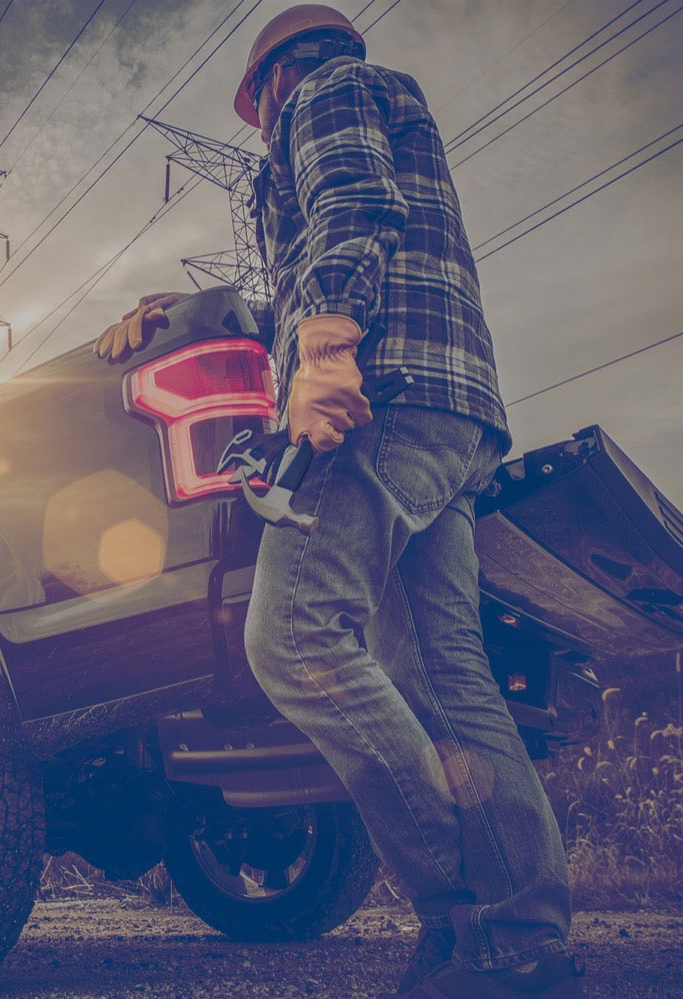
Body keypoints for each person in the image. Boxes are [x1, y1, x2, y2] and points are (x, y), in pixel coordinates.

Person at [94, 6, 587, 998]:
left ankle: (463, 916)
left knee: (294, 641)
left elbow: (353, 208)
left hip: (382, 403)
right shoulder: (383, 104)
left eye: (253, 108)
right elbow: (328, 250)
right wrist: (179, 311)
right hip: (453, 413)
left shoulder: (324, 96)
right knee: (448, 679)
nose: (258, 126)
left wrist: (323, 353)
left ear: (272, 82)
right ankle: (518, 944)